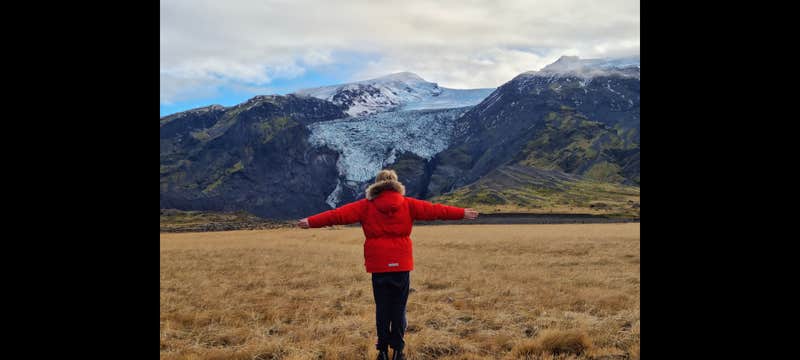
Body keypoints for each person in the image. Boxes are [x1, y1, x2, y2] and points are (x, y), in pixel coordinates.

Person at [297, 169, 478, 360]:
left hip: (379, 266)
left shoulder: (366, 205)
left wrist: (311, 222)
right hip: (401, 265)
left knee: (382, 309)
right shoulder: (408, 204)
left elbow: (337, 215)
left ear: (376, 185)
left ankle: (382, 351)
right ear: (396, 184)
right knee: (398, 309)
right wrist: (462, 213)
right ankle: (398, 351)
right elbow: (436, 210)